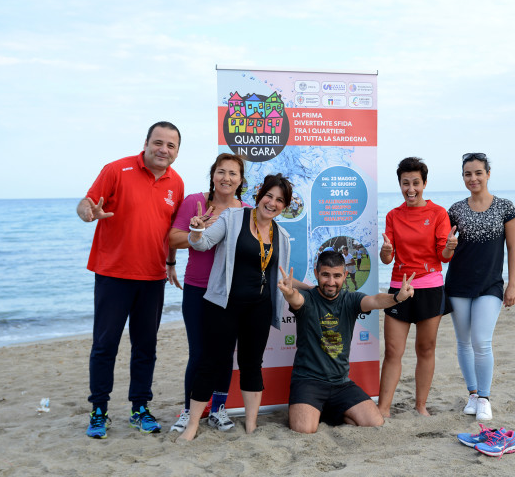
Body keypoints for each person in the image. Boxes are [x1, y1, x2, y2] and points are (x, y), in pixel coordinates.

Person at [77, 121, 184, 439]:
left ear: (177, 152)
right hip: (113, 275)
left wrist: (171, 262)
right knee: (104, 346)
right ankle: (99, 411)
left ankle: (140, 408)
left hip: (152, 277)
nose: (163, 150)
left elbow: (170, 231)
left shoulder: (175, 183)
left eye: (171, 146)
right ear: (147, 143)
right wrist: (89, 213)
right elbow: (85, 204)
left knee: (146, 347)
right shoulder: (115, 170)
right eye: (158, 142)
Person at [178, 174, 304, 440]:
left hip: (258, 308)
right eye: (269, 196)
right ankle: (191, 426)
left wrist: (310, 288)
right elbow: (202, 243)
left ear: (284, 206)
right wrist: (197, 229)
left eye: (280, 200)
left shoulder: (281, 235)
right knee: (209, 362)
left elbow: (279, 276)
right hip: (224, 305)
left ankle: (251, 424)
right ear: (260, 195)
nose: (272, 203)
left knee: (251, 364)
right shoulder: (233, 218)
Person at [277, 251, 416, 433]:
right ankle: (317, 412)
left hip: (340, 383)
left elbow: (374, 300)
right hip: (308, 382)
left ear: (344, 275)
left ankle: (327, 412)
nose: (331, 282)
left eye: (336, 276)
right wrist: (289, 293)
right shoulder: (308, 298)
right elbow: (296, 299)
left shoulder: (351, 299)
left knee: (375, 422)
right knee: (304, 430)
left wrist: (397, 298)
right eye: (325, 275)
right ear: (317, 273)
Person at [168, 153, 252, 433]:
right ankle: (189, 410)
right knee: (200, 352)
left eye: (233, 173)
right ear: (213, 174)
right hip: (197, 288)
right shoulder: (195, 202)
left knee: (225, 353)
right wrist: (196, 230)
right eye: (221, 172)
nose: (226, 178)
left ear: (241, 181)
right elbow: (173, 238)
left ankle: (218, 409)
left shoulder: (246, 210)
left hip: (231, 291)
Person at [377, 157, 457, 418]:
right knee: (392, 351)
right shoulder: (393, 215)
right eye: (405, 183)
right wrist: (386, 251)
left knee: (425, 349)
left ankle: (420, 406)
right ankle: (384, 408)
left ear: (424, 183)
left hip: (430, 287)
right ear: (400, 184)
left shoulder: (438, 213)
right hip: (399, 288)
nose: (410, 189)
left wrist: (449, 248)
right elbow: (387, 259)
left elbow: (443, 257)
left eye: (415, 183)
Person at [445, 152, 515, 421]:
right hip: (458, 285)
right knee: (463, 342)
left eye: (478, 173)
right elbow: (445, 253)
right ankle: (473, 394)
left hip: (490, 285)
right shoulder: (454, 210)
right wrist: (446, 248)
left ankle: (485, 398)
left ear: (488, 174)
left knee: (481, 341)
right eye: (467, 174)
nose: (473, 178)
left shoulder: (505, 208)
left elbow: (512, 249)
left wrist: (511, 285)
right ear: (463, 177)